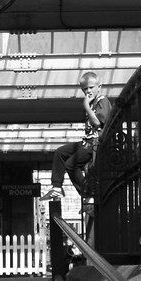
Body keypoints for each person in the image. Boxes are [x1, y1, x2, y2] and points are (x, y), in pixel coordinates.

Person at [42, 70, 113, 200]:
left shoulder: (102, 101)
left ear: (99, 87)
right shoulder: (92, 103)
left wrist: (86, 105)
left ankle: (88, 193)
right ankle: (57, 187)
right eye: (85, 89)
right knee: (60, 152)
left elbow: (98, 123)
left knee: (71, 164)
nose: (88, 91)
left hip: (97, 142)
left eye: (91, 88)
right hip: (88, 141)